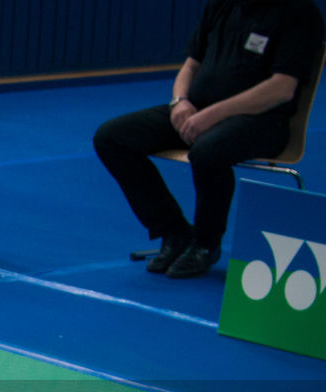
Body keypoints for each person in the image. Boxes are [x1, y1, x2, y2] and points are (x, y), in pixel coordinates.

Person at [93, 0, 323, 279]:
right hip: (197, 112)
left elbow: (282, 89)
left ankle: (205, 244)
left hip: (261, 121)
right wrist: (179, 101)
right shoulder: (221, 5)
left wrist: (213, 114)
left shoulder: (299, 14)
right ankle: (173, 232)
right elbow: (190, 65)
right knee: (112, 138)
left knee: (207, 152)